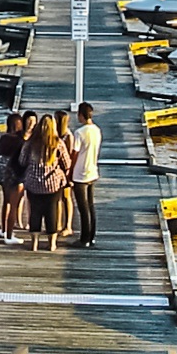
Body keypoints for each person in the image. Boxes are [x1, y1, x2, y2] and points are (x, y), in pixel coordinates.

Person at [19, 117, 68, 252]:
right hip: (53, 184)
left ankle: (34, 243)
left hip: (33, 184)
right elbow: (67, 163)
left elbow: (22, 161)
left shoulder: (30, 144)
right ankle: (51, 244)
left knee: (35, 212)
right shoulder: (58, 143)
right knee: (51, 212)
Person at [69, 101, 102, 247]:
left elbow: (74, 153)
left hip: (80, 173)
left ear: (81, 115)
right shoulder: (97, 130)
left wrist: (70, 171)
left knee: (82, 208)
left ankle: (84, 239)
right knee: (90, 205)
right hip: (92, 171)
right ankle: (92, 236)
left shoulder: (79, 133)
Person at [0, 112, 28, 244]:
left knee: (6, 203)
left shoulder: (3, 138)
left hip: (2, 173)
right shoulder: (20, 141)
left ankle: (3, 229)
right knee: (14, 205)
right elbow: (23, 160)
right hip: (15, 175)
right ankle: (9, 235)